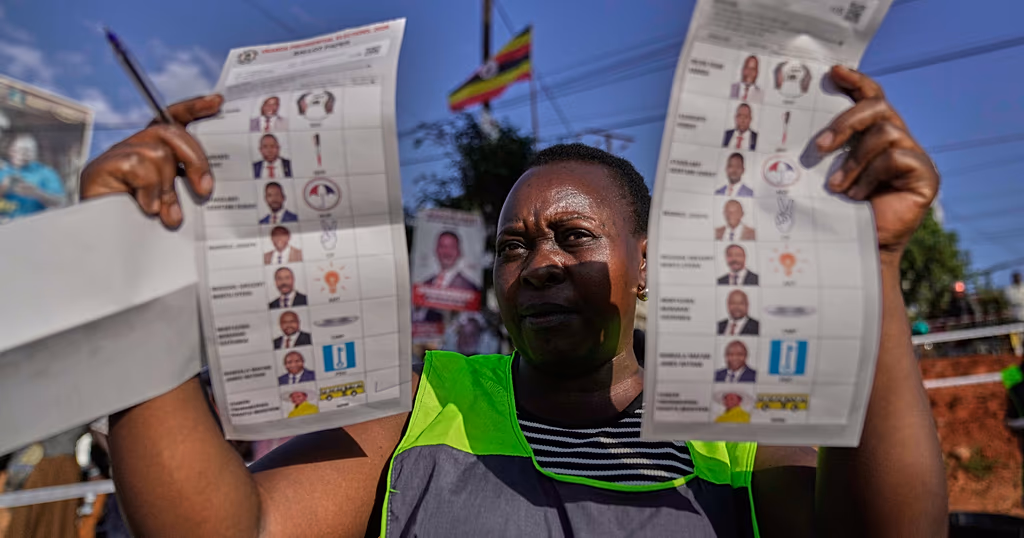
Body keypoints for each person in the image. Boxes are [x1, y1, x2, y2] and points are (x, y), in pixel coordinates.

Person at [81, 66, 947, 537]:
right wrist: (130, 276)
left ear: (644, 265)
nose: (537, 264)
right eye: (514, 246)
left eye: (574, 237)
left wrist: (871, 262)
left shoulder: (741, 423)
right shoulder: (421, 398)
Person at [0, 134, 66, 220]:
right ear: (11, 151)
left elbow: (61, 202)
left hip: (35, 224)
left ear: (35, 154)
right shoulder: (3, 172)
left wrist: (37, 193)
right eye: (19, 150)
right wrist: (3, 188)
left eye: (27, 151)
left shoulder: (46, 173)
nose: (23, 154)